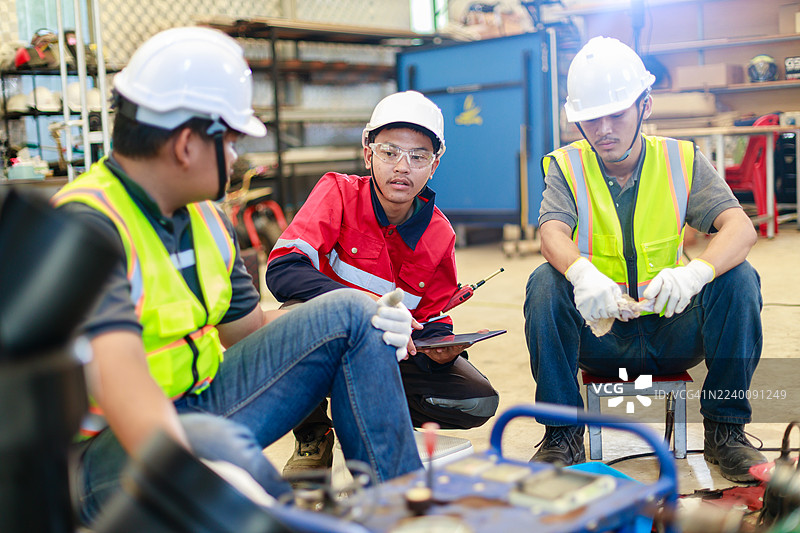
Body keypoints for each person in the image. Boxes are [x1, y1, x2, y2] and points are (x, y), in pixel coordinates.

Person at [52, 27, 422, 525]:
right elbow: (127, 397)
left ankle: (404, 510)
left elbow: (246, 333)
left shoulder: (204, 217)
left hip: (199, 401)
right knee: (218, 448)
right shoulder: (88, 228)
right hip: (103, 454)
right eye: (228, 141)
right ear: (187, 145)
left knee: (354, 313)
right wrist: (225, 478)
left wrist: (365, 320)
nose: (234, 157)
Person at [523, 36, 766, 482]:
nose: (604, 129)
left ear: (645, 106)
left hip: (674, 331)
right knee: (544, 282)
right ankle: (561, 435)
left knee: (739, 279)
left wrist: (697, 274)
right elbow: (551, 232)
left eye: (616, 113)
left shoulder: (680, 159)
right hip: (601, 335)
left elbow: (740, 228)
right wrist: (581, 274)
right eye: (591, 118)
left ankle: (726, 432)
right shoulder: (567, 166)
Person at [266, 90, 499, 475]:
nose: (403, 167)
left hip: (390, 359)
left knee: (476, 402)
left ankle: (366, 413)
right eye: (390, 152)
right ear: (368, 152)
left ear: (434, 165)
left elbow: (435, 320)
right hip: (331, 343)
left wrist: (441, 354)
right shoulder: (337, 192)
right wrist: (367, 307)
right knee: (293, 317)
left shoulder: (439, 234)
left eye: (418, 156)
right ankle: (315, 433)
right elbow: (283, 270)